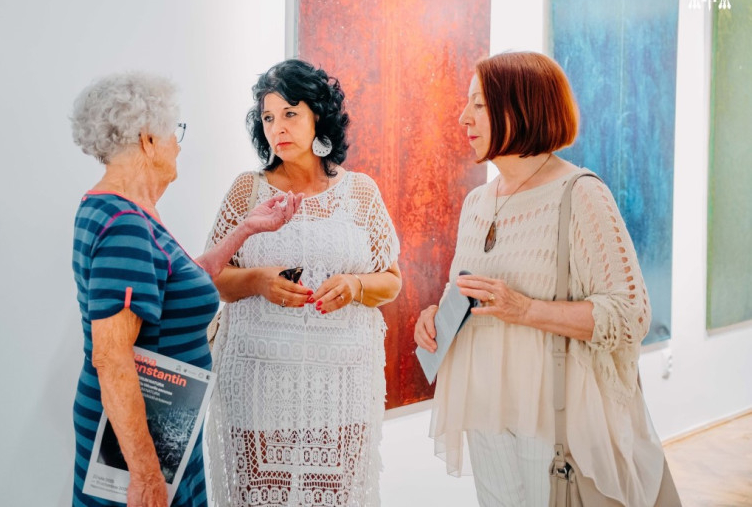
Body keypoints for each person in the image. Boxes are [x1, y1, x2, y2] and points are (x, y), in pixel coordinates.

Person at [414, 52, 668, 506]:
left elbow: (631, 315)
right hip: (485, 404)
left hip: (553, 411)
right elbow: (465, 291)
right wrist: (435, 315)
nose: (463, 117)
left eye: (479, 104)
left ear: (521, 109)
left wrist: (527, 309)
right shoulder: (477, 202)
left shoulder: (581, 194)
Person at [70, 71, 302, 507]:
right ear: (147, 140)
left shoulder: (117, 209)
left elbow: (180, 281)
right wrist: (145, 475)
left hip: (163, 421)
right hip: (141, 437)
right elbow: (111, 356)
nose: (178, 145)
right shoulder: (125, 227)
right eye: (173, 132)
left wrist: (247, 228)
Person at [205, 59, 402, 507]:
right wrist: (258, 280)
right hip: (258, 383)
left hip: (341, 386)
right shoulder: (247, 190)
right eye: (268, 117)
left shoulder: (361, 192)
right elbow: (214, 276)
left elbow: (391, 281)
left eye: (290, 114)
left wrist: (354, 286)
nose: (278, 128)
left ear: (319, 116)